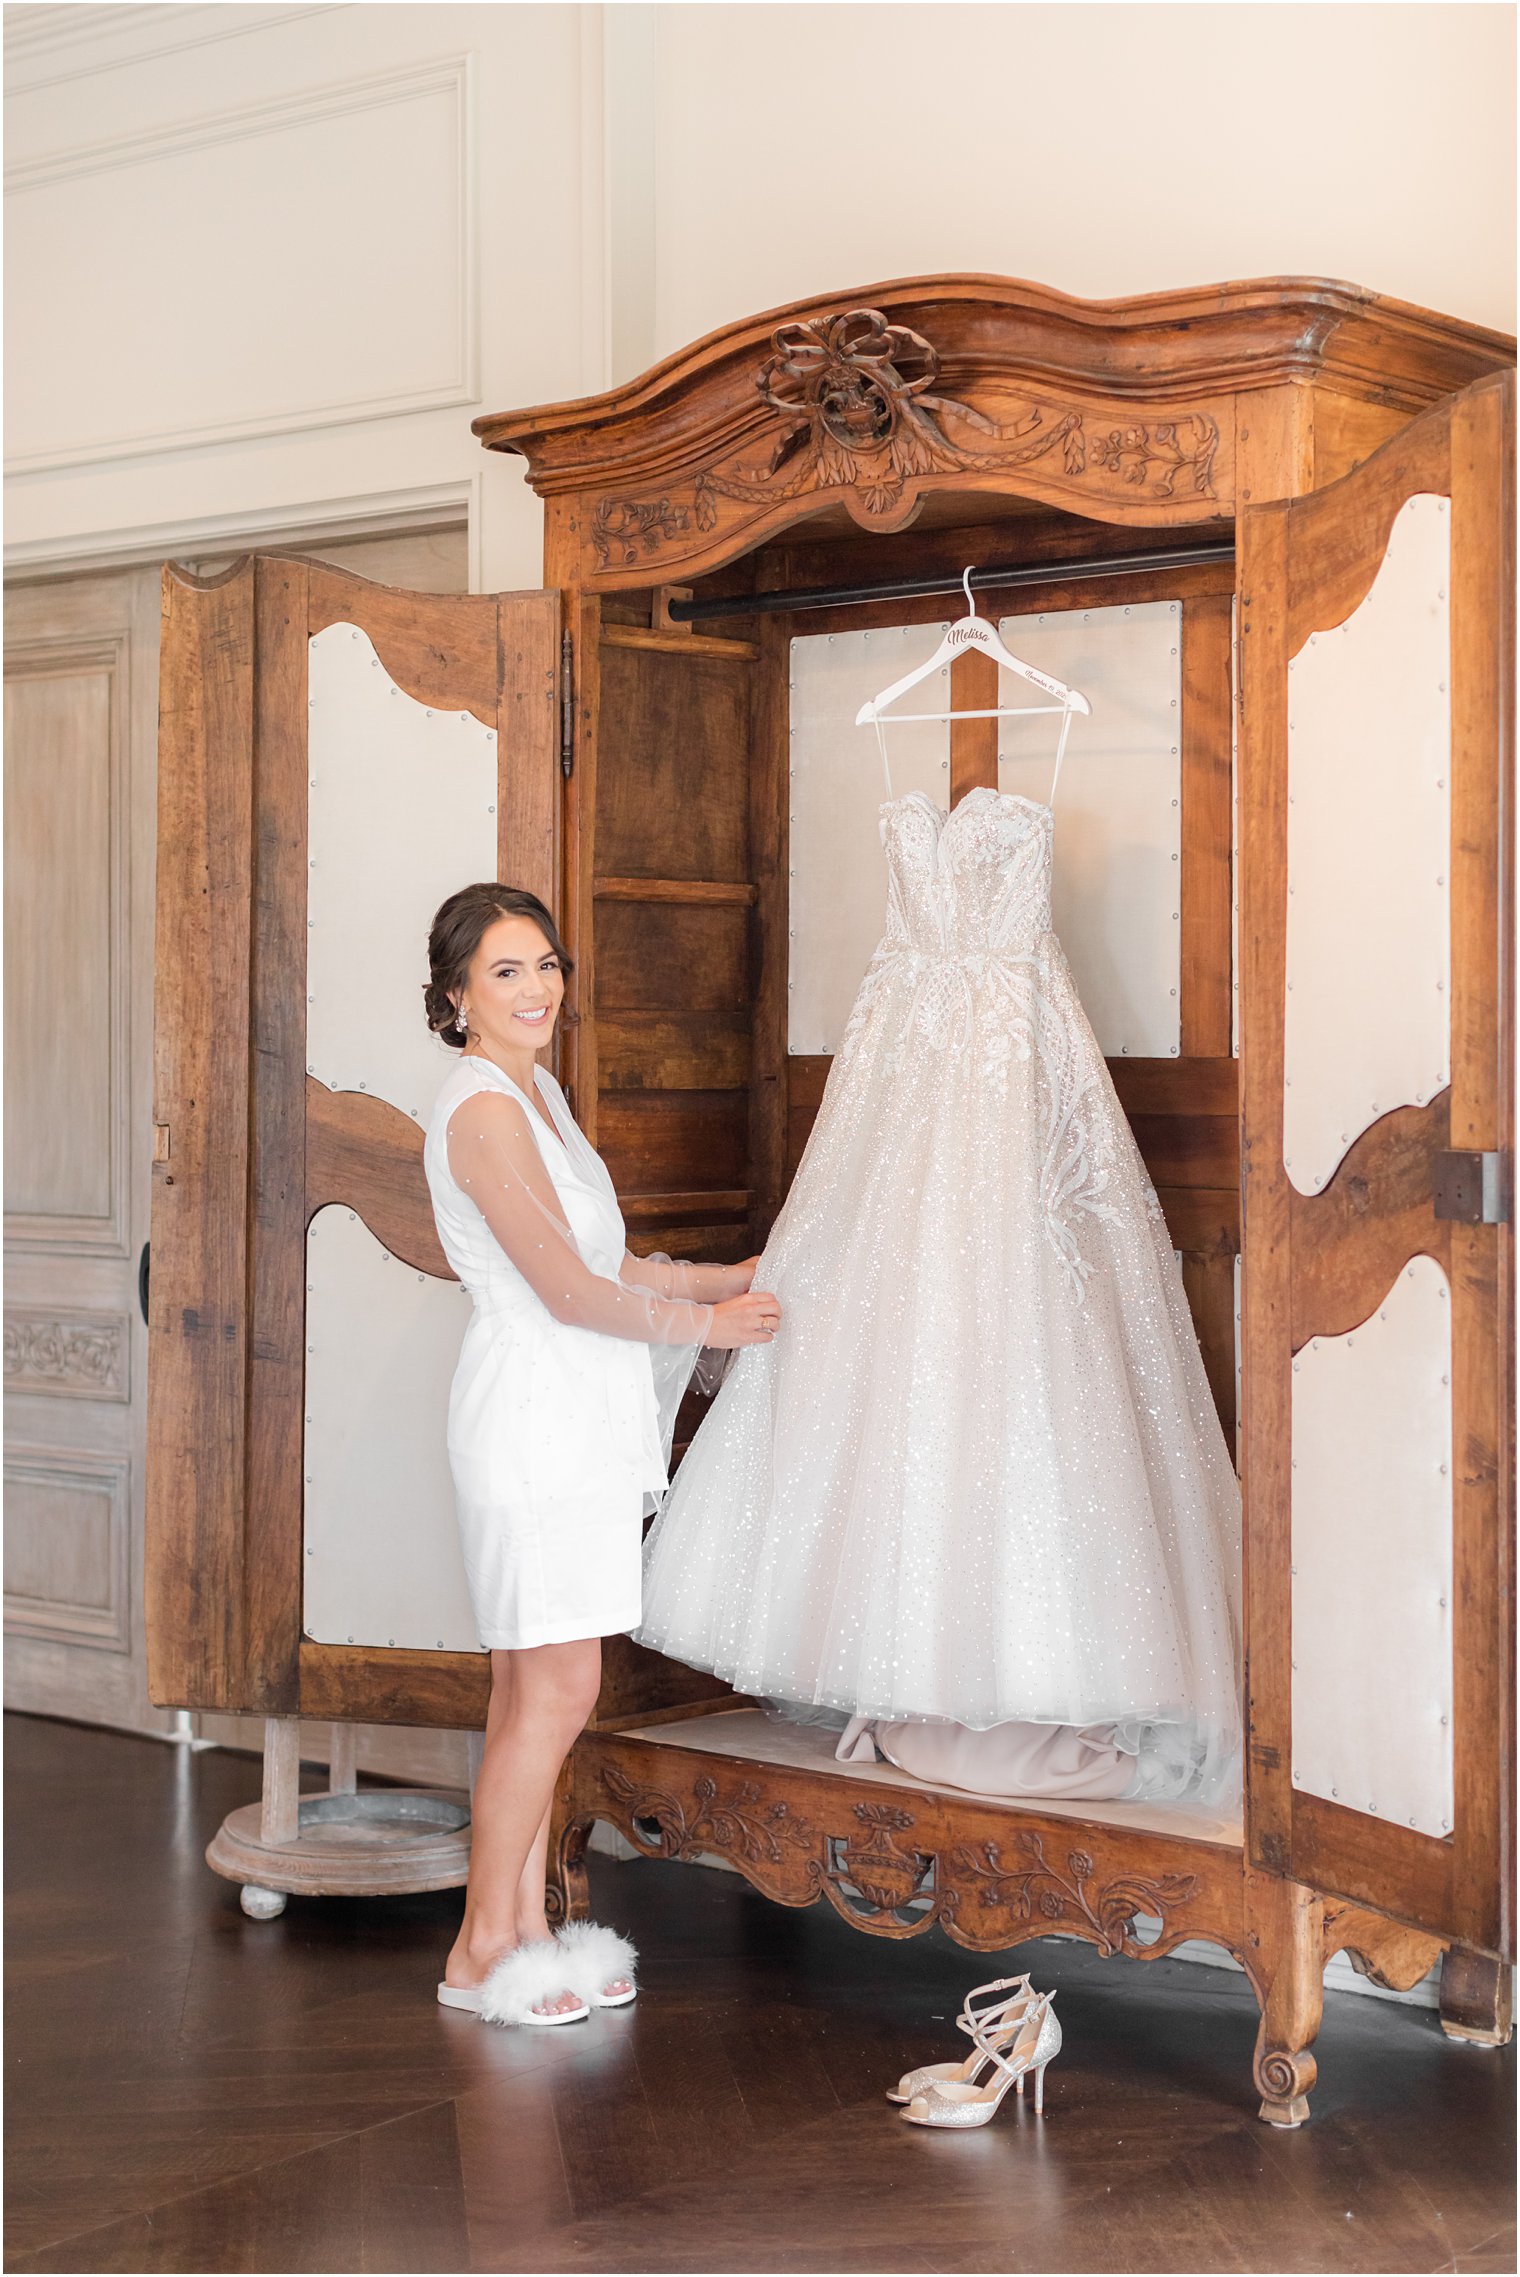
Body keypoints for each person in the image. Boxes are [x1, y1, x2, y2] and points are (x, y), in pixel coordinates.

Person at [421, 883, 780, 2025]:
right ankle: (479, 1951)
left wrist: (720, 1280)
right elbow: (567, 1294)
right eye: (505, 973)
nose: (536, 990)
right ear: (455, 997)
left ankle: (525, 1934)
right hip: (531, 1417)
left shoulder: (538, 1098)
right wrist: (707, 1330)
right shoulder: (480, 1111)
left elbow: (609, 1261)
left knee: (530, 1682)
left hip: (567, 1410)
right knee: (560, 1679)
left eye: (545, 966)